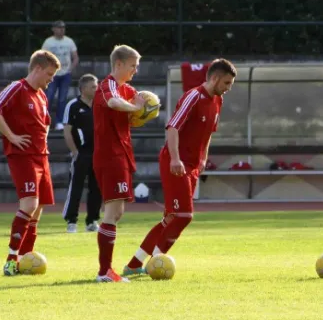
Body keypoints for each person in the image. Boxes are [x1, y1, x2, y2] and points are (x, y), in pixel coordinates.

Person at [123, 59, 237, 276]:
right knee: (184, 215)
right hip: (175, 162)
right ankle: (155, 262)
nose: (228, 88)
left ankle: (134, 265)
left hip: (192, 166)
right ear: (214, 78)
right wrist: (175, 159)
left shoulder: (217, 101)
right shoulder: (193, 96)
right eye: (226, 83)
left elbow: (209, 132)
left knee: (171, 218)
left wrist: (203, 158)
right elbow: (173, 126)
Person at [0, 49, 61, 276]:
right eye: (49, 74)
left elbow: (46, 122)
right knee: (28, 204)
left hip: (41, 156)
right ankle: (10, 260)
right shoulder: (17, 87)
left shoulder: (42, 95)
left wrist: (43, 139)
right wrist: (11, 136)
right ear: (37, 68)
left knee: (38, 209)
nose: (51, 79)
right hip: (23, 156)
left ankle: (25, 258)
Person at [93, 44, 146, 283]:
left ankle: (106, 270)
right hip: (110, 155)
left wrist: (143, 110)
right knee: (113, 212)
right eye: (133, 66)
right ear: (119, 64)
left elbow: (131, 117)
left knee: (117, 212)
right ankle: (105, 271)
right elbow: (113, 103)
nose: (135, 70)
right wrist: (135, 107)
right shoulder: (108, 86)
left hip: (121, 155)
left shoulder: (128, 89)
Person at [62, 73, 102, 233]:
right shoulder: (73, 105)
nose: (96, 89)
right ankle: (71, 221)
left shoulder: (100, 105)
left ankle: (92, 221)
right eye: (93, 86)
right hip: (81, 154)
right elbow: (67, 131)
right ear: (83, 89)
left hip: (98, 153)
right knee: (76, 187)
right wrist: (75, 152)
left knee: (97, 188)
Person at [41, 20, 79, 131]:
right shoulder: (48, 42)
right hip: (51, 75)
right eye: (59, 27)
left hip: (65, 74)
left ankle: (59, 121)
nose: (61, 30)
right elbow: (43, 57)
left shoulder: (69, 41)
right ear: (53, 29)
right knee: (49, 97)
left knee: (62, 99)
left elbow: (75, 57)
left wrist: (70, 69)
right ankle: (45, 121)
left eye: (63, 27)